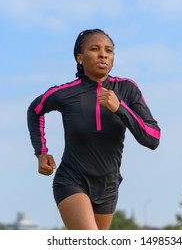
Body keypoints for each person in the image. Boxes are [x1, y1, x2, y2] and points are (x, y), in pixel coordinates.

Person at [27, 28, 161, 230]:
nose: (103, 54)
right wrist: (41, 152)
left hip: (108, 186)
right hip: (72, 180)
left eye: (109, 50)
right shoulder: (66, 93)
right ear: (80, 58)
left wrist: (120, 108)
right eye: (95, 49)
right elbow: (35, 110)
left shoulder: (127, 89)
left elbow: (153, 138)